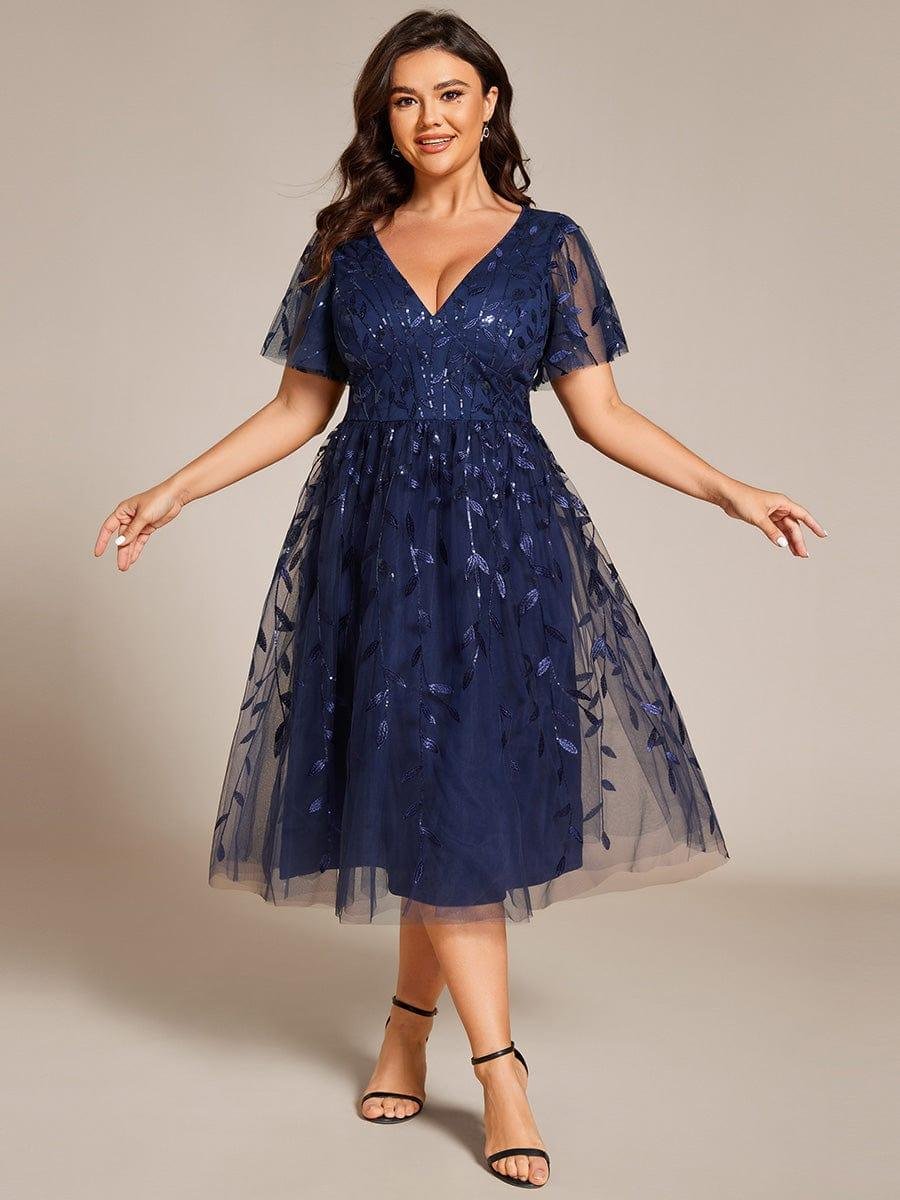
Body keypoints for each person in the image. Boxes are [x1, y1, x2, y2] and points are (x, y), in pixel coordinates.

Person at [93, 9, 825, 1190]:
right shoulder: (343, 246)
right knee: (420, 789)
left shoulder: (550, 246)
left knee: (459, 790)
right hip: (371, 548)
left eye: (448, 93)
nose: (427, 117)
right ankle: (463, 1052)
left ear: (490, 103)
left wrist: (732, 491)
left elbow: (603, 415)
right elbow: (297, 410)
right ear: (382, 119)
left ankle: (461, 1053)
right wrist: (170, 490)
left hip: (502, 552)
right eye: (403, 99)